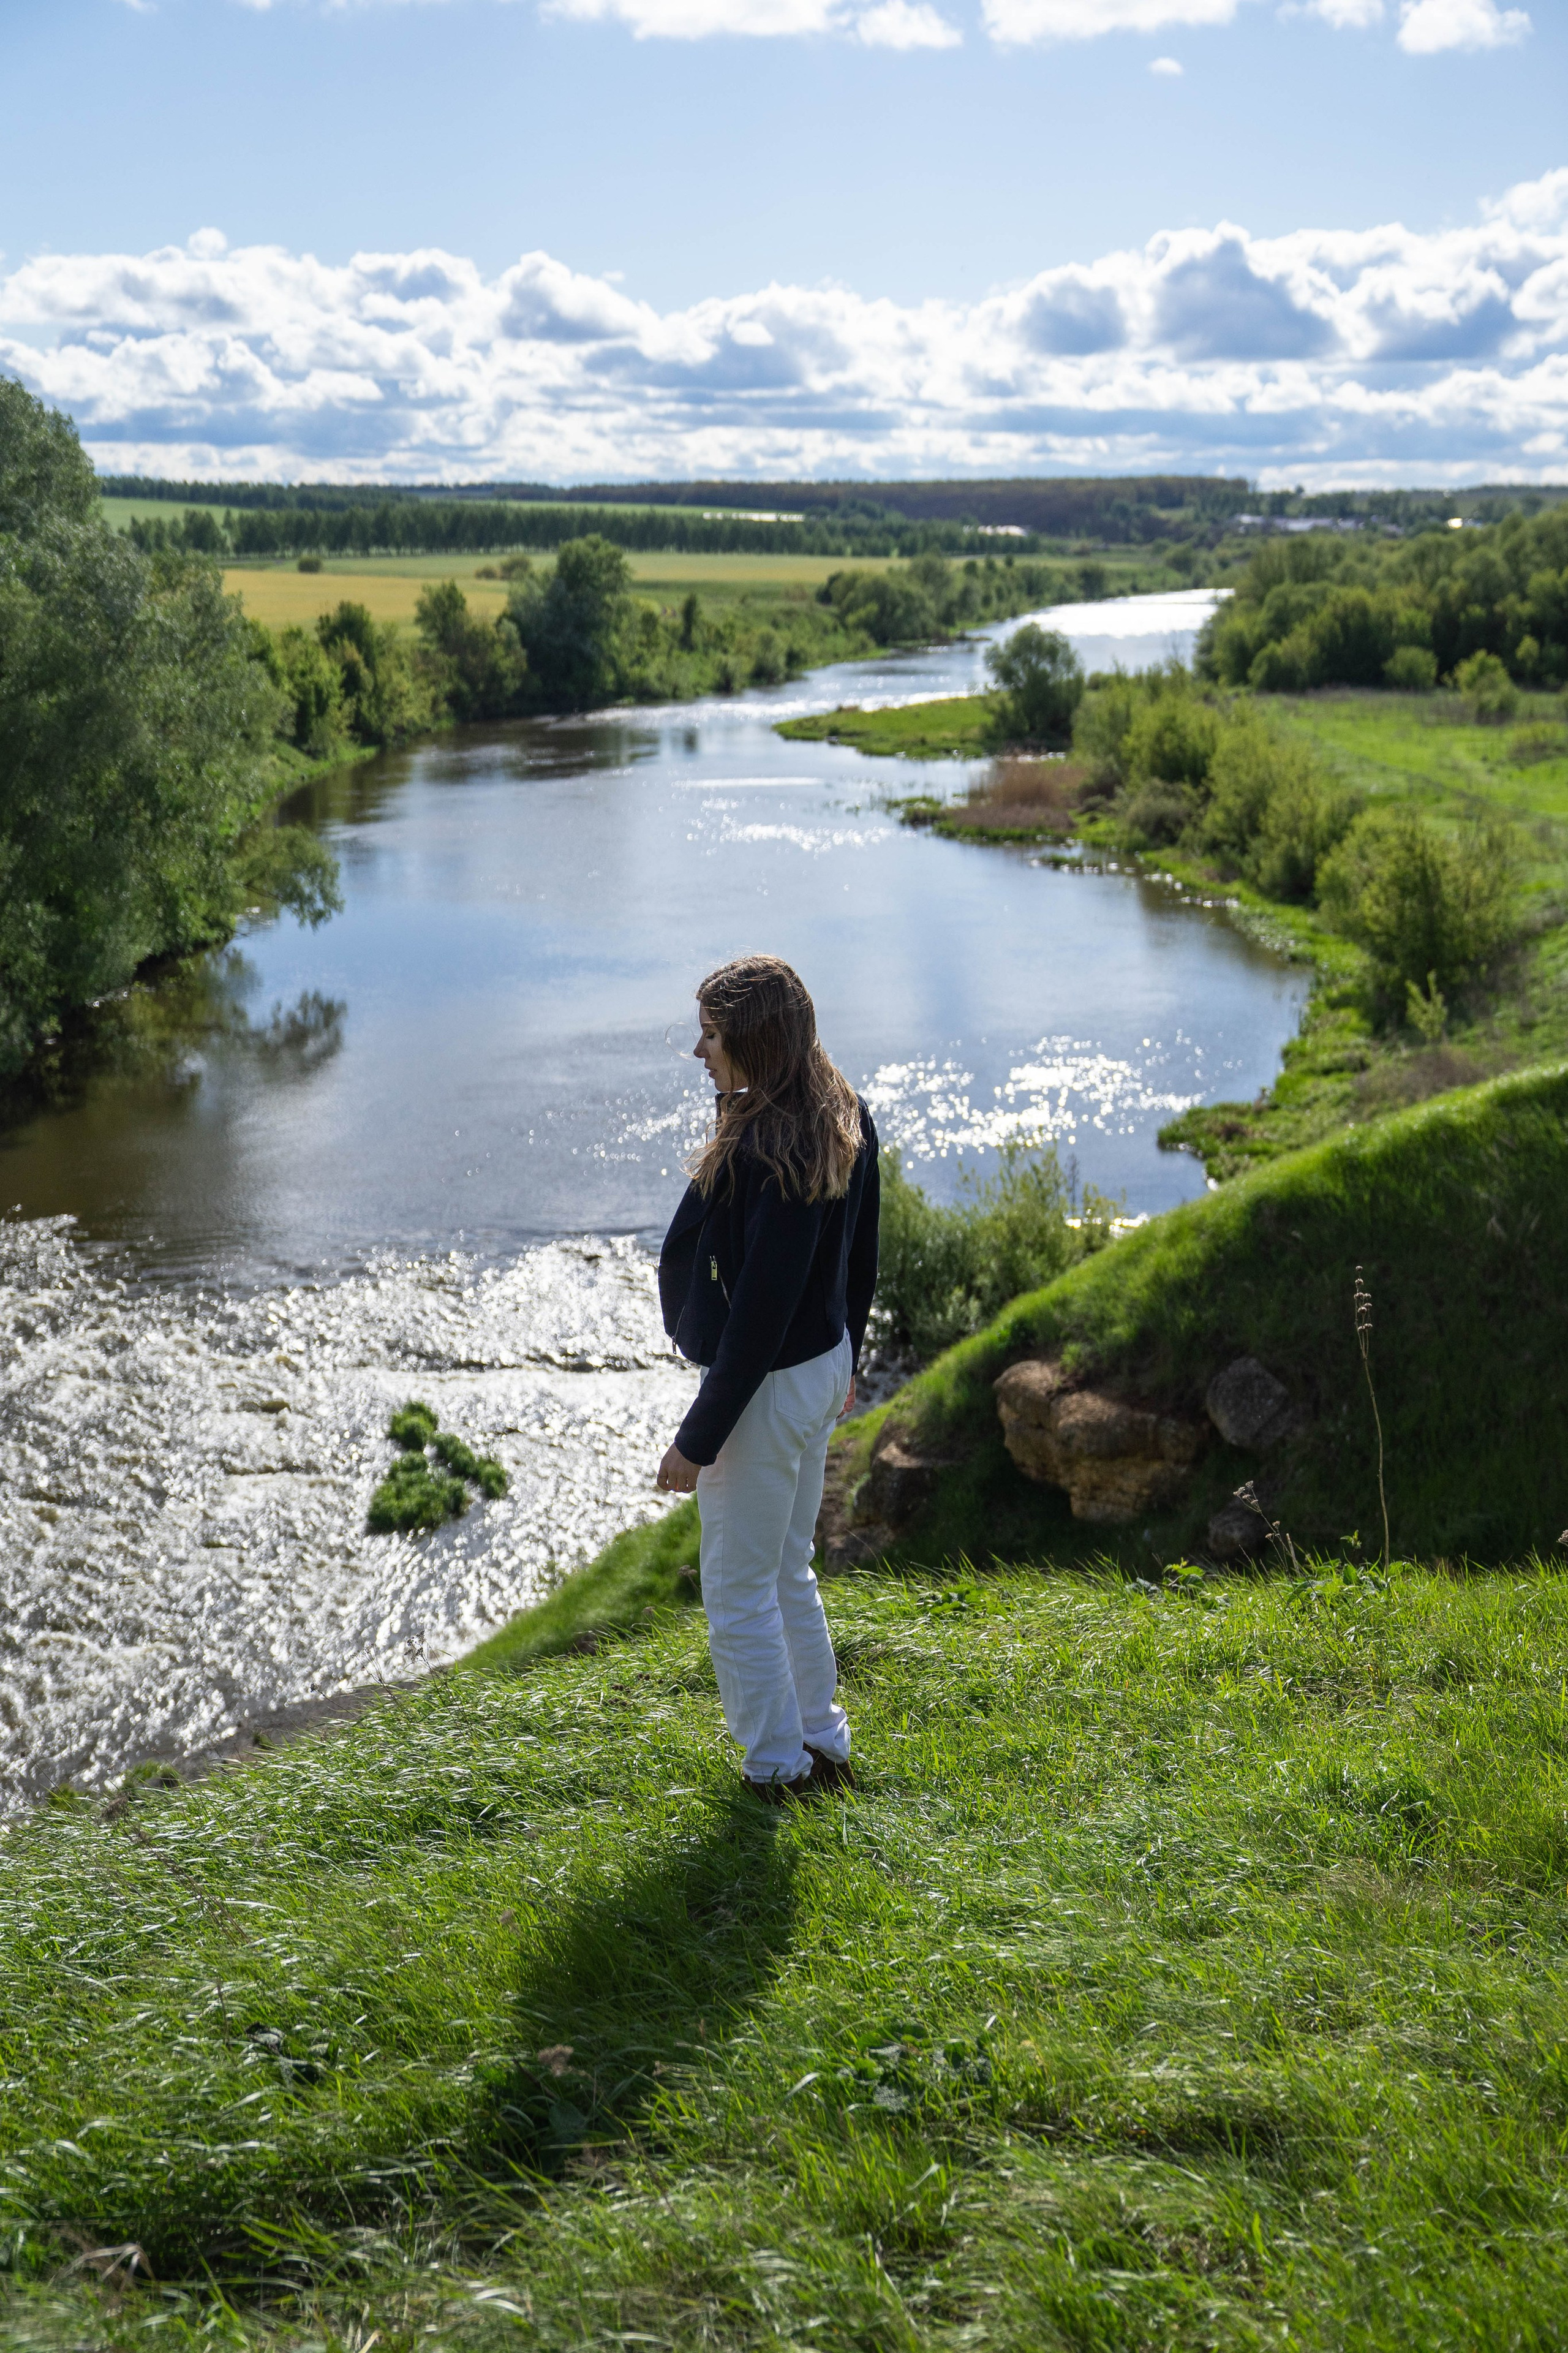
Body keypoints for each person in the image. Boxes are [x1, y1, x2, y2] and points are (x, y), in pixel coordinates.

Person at [655, 954, 880, 1804]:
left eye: (713, 1034)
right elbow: (861, 1259)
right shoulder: (839, 1111)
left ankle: (777, 1771)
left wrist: (695, 1440)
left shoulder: (771, 1148)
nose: (699, 1049)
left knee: (740, 1588)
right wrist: (848, 1353)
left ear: (754, 1037)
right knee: (787, 1568)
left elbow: (757, 1316)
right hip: (818, 1371)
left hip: (770, 1383)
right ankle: (822, 1742)